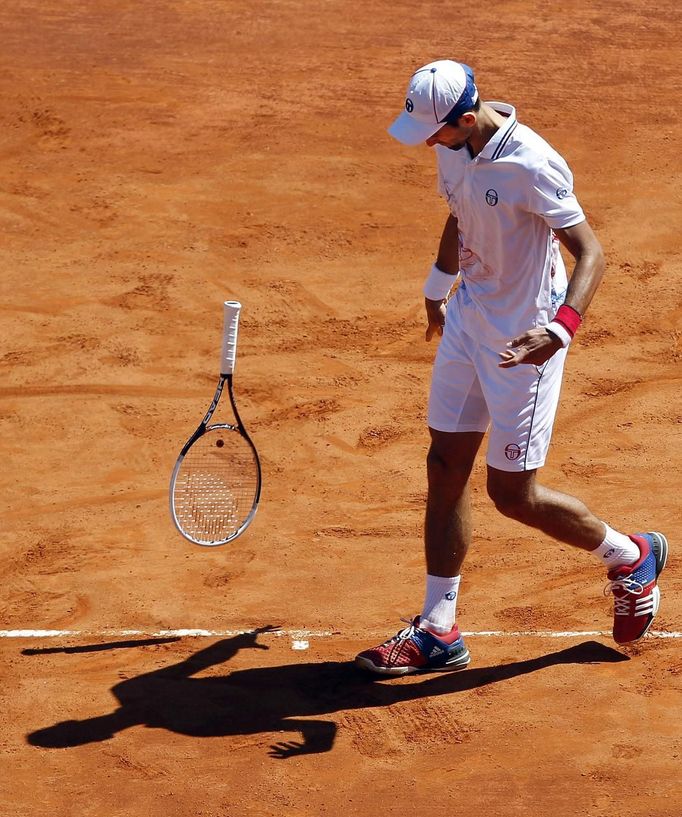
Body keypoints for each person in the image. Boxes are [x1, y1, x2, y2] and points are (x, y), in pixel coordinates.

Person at [355, 60, 668, 675]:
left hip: (526, 341)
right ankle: (438, 629)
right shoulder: (455, 145)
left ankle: (629, 555)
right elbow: (460, 212)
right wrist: (438, 284)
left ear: (466, 119)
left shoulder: (532, 164)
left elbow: (591, 253)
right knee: (444, 463)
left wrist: (560, 329)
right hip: (470, 319)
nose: (426, 143)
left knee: (510, 494)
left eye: (433, 132)